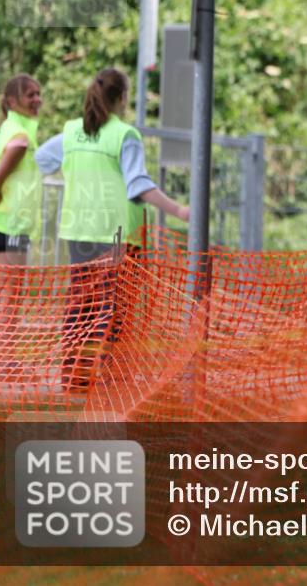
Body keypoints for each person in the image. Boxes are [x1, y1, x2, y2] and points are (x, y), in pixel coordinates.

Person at [35, 67, 188, 389]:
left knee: (81, 307)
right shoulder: (125, 135)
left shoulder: (73, 131)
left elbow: (42, 159)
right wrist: (178, 210)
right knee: (113, 309)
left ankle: (75, 378)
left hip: (78, 229)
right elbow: (138, 184)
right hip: (117, 233)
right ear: (122, 98)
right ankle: (108, 380)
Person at [0, 74, 43, 263]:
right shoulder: (20, 136)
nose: (37, 99)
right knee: (12, 290)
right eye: (30, 95)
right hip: (13, 225)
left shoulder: (8, 127)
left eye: (38, 94)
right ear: (12, 102)